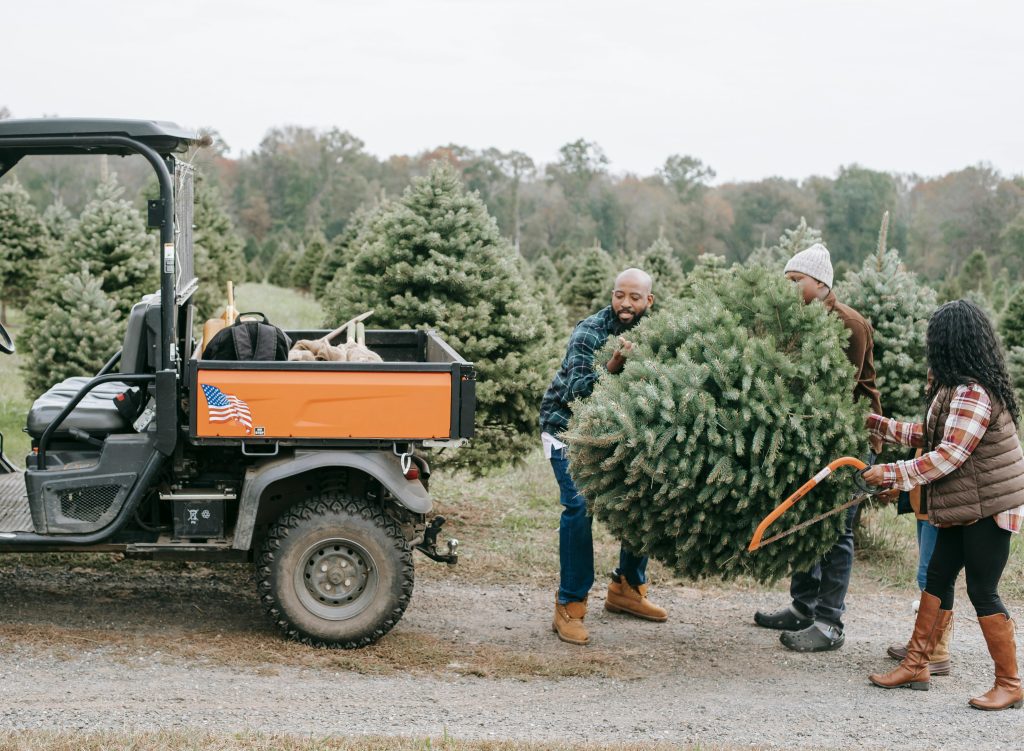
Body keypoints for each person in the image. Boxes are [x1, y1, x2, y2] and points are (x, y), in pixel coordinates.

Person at [864, 299, 1024, 710]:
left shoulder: (974, 393)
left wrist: (892, 474)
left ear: (950, 343)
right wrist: (879, 424)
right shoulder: (954, 388)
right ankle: (916, 664)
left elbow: (950, 454)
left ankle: (1010, 683)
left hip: (989, 508)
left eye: (933, 340)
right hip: (964, 506)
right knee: (937, 577)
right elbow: (931, 433)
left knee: (982, 590)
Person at [753, 243, 883, 652]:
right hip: (810, 436)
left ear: (822, 284)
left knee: (836, 529)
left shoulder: (849, 324)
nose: (789, 288)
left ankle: (829, 623)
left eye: (797, 281)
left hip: (850, 438)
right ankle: (802, 606)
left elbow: (837, 387)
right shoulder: (794, 320)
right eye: (786, 280)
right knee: (805, 517)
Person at [540, 268, 667, 646]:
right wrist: (613, 366)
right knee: (580, 507)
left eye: (634, 297)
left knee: (639, 496)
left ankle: (627, 587)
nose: (625, 304)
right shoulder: (590, 331)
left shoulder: (657, 332)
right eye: (619, 295)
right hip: (569, 427)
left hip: (622, 431)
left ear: (649, 301)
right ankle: (569, 604)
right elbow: (579, 391)